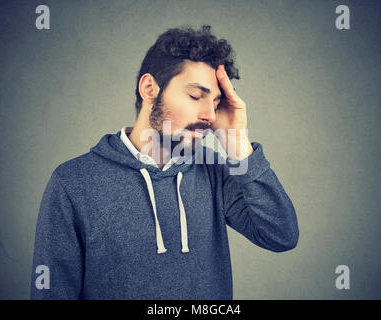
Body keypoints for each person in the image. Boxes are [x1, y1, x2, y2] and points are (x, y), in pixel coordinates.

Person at [30, 25, 299, 300]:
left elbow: (281, 235)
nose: (209, 114)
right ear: (149, 89)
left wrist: (238, 143)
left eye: (216, 103)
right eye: (196, 96)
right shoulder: (74, 181)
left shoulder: (213, 171)